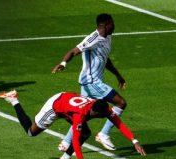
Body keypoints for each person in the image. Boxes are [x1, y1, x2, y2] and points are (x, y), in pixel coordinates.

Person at [0, 90, 146, 159]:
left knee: (86, 133)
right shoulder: (80, 115)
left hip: (68, 104)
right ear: (94, 112)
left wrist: (134, 140)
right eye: (100, 116)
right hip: (56, 106)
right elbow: (74, 139)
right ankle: (13, 99)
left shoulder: (103, 107)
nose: (102, 117)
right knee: (31, 132)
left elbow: (118, 122)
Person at [52, 13, 126, 151]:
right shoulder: (93, 39)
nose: (114, 25)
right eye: (112, 23)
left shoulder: (108, 37)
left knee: (84, 114)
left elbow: (105, 59)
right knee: (121, 103)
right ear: (105, 24)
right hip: (92, 82)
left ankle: (66, 143)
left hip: (90, 82)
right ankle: (103, 134)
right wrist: (63, 63)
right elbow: (74, 51)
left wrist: (118, 75)